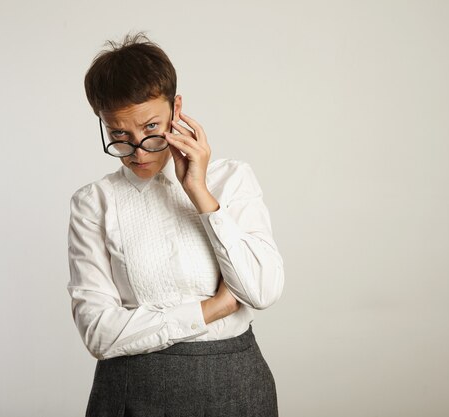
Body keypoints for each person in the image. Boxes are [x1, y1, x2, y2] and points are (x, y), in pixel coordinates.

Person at [67, 32, 285, 417]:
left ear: (176, 108)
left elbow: (262, 290)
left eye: (151, 129)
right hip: (130, 392)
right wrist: (210, 310)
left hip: (234, 385)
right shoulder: (94, 203)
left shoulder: (230, 180)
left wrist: (199, 191)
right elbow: (99, 333)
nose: (137, 151)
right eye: (119, 135)